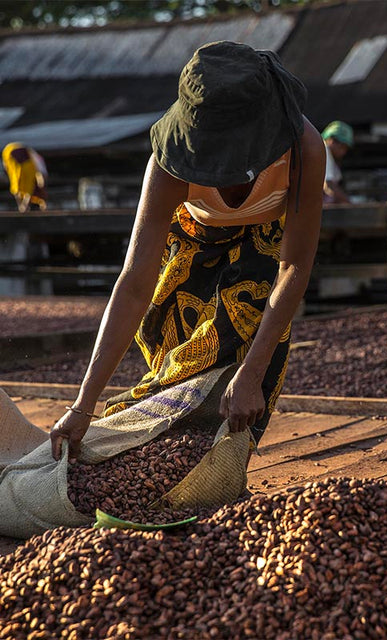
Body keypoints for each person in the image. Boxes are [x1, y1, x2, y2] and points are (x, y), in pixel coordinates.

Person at [49, 41, 325, 463]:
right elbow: (135, 284)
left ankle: (220, 461)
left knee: (245, 337)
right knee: (179, 352)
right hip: (194, 236)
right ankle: (165, 453)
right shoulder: (167, 165)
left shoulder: (303, 148)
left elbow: (294, 266)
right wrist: (82, 404)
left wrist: (251, 374)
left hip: (266, 241)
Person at [1, 142, 48, 212]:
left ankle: (22, 206)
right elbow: (41, 179)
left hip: (8, 152)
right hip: (19, 157)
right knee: (25, 186)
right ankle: (23, 207)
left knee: (17, 183)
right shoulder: (35, 169)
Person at [321, 120, 353, 204]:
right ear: (332, 140)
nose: (344, 152)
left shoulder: (332, 158)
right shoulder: (323, 150)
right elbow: (328, 186)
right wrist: (350, 203)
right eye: (342, 147)